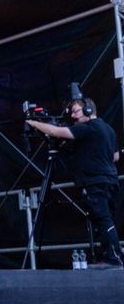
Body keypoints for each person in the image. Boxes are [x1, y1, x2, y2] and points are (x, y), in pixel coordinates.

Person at [27, 96, 123, 268]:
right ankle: (110, 257)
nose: (73, 115)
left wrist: (34, 123)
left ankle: (114, 257)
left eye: (76, 111)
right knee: (103, 219)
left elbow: (57, 132)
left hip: (96, 181)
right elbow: (115, 157)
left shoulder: (89, 128)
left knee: (103, 218)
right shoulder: (108, 129)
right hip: (110, 180)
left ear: (88, 110)